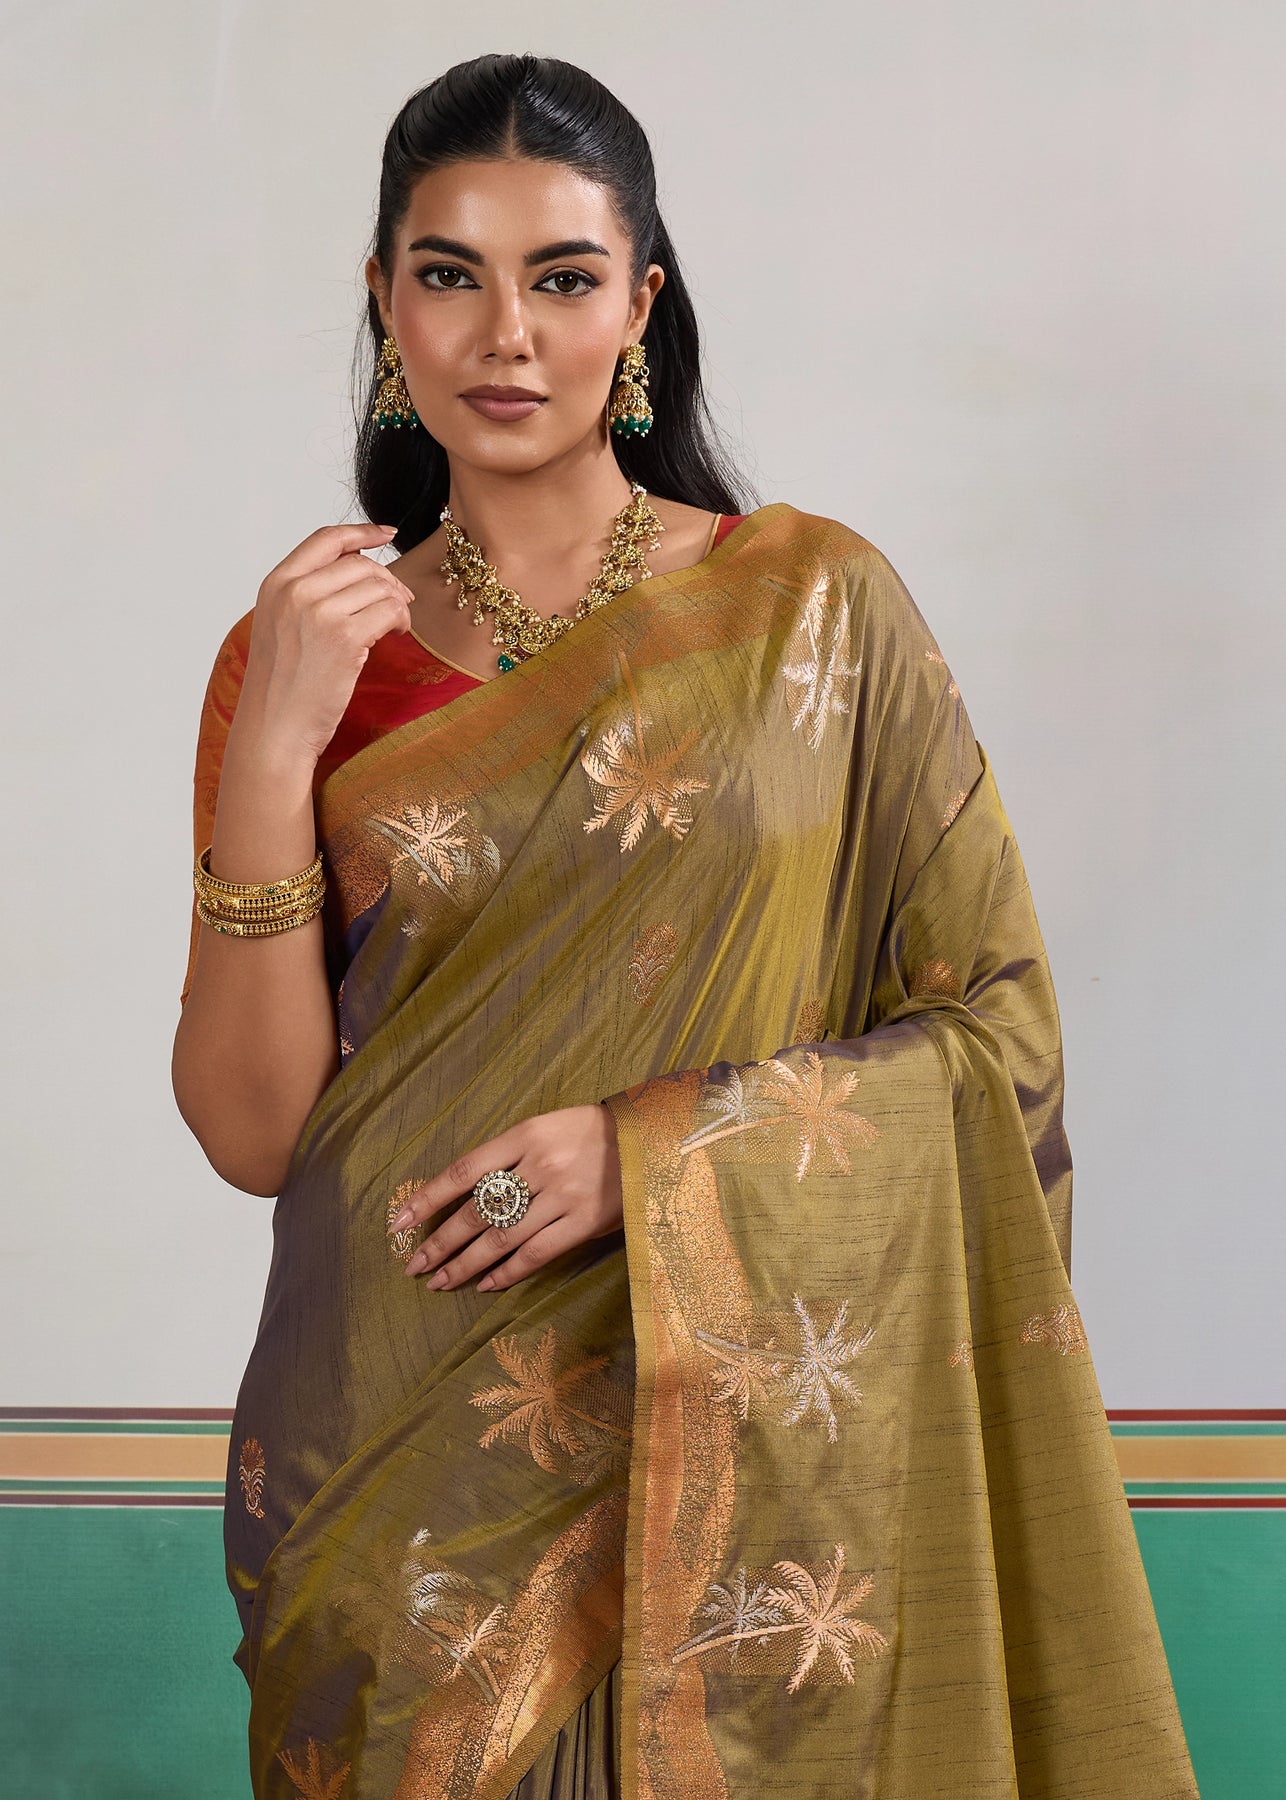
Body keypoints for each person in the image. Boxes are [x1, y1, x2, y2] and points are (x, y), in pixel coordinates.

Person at [171, 52, 1198, 1800]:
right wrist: (274, 745)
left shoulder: (813, 611)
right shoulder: (302, 658)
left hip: (750, 1446)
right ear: (384, 300)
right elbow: (260, 1135)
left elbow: (995, 1034)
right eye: (449, 273)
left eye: (563, 278)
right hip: (405, 1459)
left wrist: (647, 1154)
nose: (505, 333)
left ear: (639, 307)